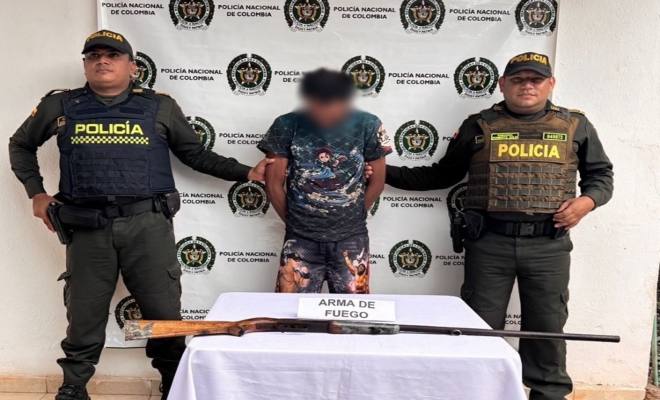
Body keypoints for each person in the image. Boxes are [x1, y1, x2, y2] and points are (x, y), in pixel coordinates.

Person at [8, 30, 271, 400]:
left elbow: (195, 155)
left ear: (132, 67)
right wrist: (36, 193)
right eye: (93, 55)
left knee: (162, 316)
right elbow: (20, 144)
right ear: (85, 65)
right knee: (84, 314)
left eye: (112, 55)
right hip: (87, 228)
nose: (102, 61)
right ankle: (73, 388)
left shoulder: (159, 107)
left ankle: (174, 385)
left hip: (148, 226)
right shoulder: (60, 106)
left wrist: (246, 172)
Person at [385, 52, 614, 400]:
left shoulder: (575, 125)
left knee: (547, 329)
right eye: (518, 79)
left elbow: (601, 176)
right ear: (503, 84)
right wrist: (380, 170)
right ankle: (479, 392)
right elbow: (441, 175)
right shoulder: (478, 125)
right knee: (480, 328)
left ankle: (549, 394)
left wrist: (587, 202)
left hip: (548, 245)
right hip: (489, 243)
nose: (527, 86)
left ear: (550, 84)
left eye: (535, 79)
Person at [259, 68, 391, 294]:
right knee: (290, 311)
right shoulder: (286, 124)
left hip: (351, 238)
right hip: (300, 240)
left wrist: (355, 216)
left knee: (352, 312)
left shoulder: (368, 124)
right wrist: (295, 223)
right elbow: (273, 184)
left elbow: (378, 181)